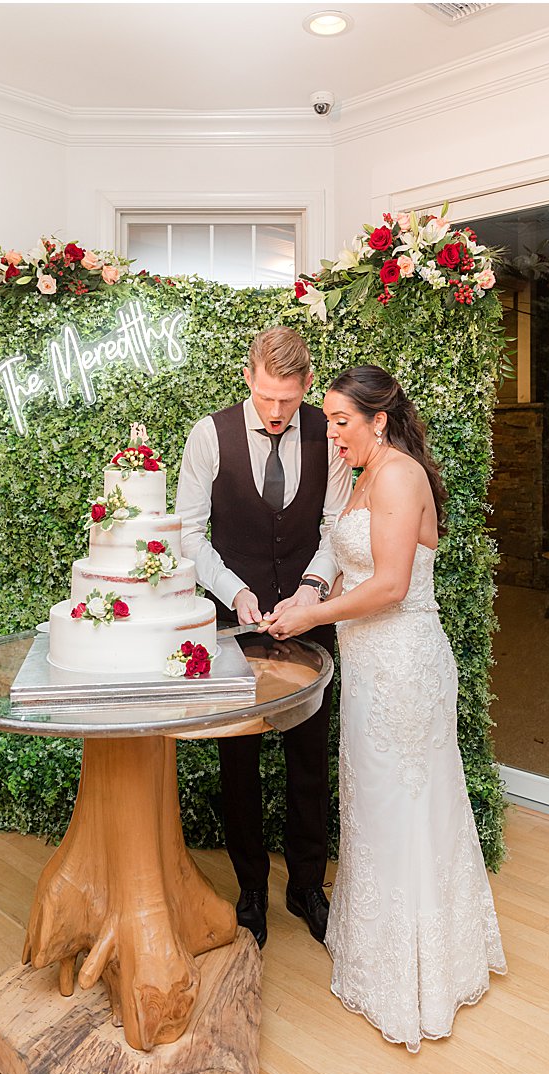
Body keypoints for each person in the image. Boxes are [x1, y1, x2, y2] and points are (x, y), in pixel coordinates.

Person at [265, 364, 506, 1051]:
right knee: (372, 806)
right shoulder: (362, 473)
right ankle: (378, 956)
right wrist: (304, 598)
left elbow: (393, 585)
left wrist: (315, 617)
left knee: (405, 807)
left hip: (402, 663)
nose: (331, 431)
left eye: (341, 420)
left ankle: (420, 976)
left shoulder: (399, 474)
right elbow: (342, 559)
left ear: (378, 417)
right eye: (330, 419)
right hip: (369, 665)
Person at [175, 327, 352, 948]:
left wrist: (312, 589)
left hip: (310, 616)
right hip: (234, 621)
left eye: (289, 399)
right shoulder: (209, 435)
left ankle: (308, 886)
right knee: (238, 761)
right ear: (249, 377)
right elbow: (190, 535)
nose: (277, 414)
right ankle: (249, 889)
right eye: (267, 398)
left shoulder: (327, 436)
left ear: (306, 383)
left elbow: (335, 526)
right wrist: (237, 594)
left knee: (309, 759)